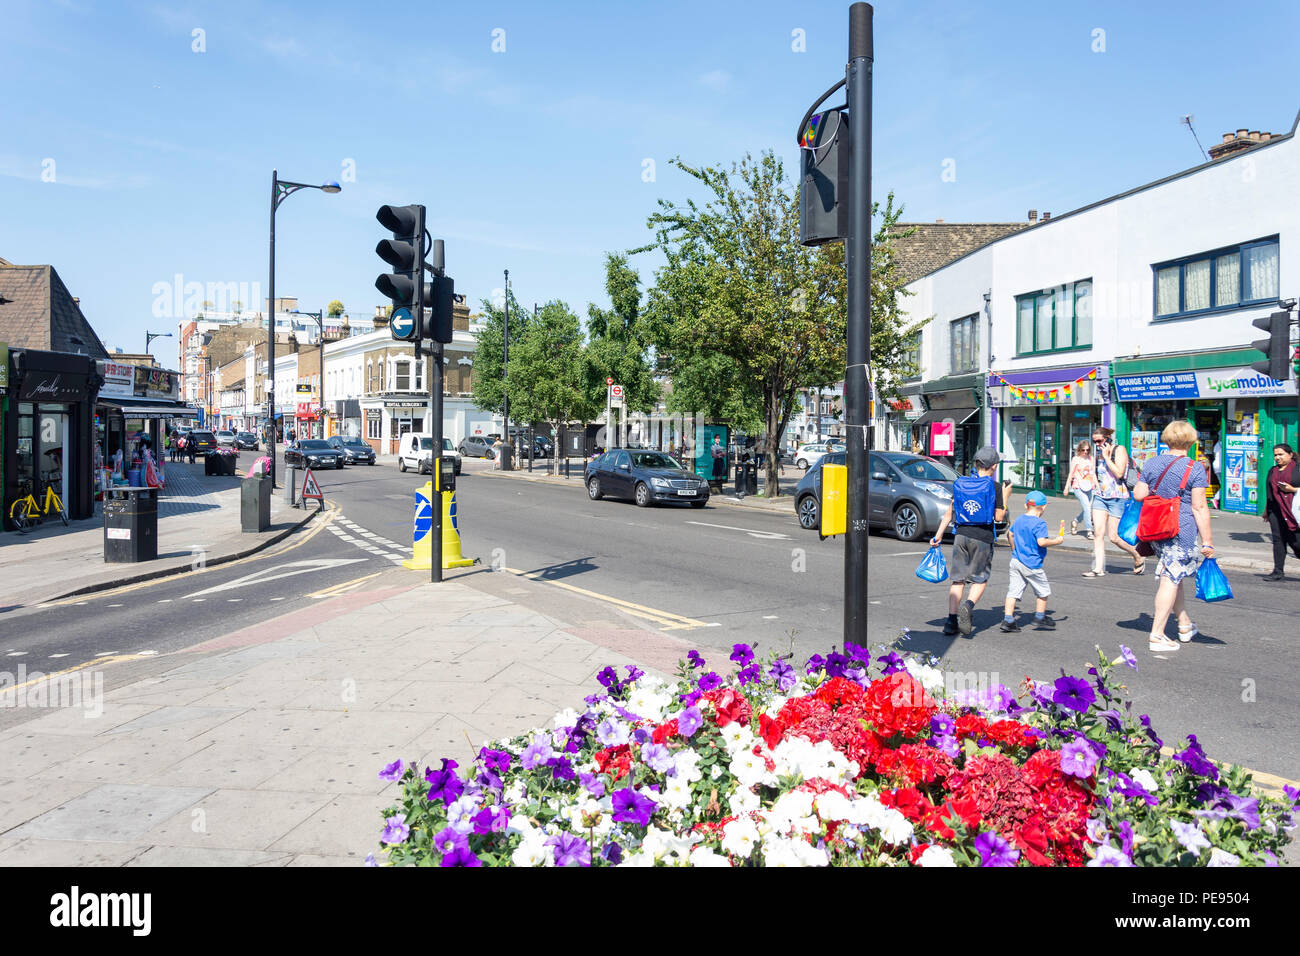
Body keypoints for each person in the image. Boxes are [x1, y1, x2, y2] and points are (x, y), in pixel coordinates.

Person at [1133, 420, 1214, 653]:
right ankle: (1157, 635)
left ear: (1167, 438)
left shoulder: (1152, 462)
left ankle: (1184, 624)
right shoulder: (1194, 467)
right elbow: (1199, 507)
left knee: (1173, 574)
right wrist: (1207, 541)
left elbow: (1139, 494)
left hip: (1157, 530)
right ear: (1191, 440)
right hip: (1181, 530)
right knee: (1170, 578)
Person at [929, 445, 1012, 636]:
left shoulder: (962, 483)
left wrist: (939, 535)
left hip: (960, 535)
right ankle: (968, 605)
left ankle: (950, 621)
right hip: (982, 536)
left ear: (976, 464)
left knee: (958, 579)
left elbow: (950, 512)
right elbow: (999, 517)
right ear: (994, 466)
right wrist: (1005, 498)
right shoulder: (995, 486)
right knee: (980, 578)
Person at [1083, 425, 1143, 577]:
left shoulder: (1119, 450)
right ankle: (1098, 568)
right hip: (1100, 496)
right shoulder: (1097, 454)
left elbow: (1118, 473)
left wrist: (1107, 457)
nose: (1097, 444)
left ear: (1107, 438)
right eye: (1094, 442)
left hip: (1117, 496)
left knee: (1114, 537)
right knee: (1098, 533)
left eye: (1099, 441)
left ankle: (1137, 555)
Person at [1001, 490, 1065, 632]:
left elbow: (1010, 534)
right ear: (1043, 507)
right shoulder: (1040, 523)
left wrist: (1014, 548)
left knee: (1013, 591)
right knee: (1043, 591)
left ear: (1026, 506)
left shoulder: (1019, 520)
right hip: (1032, 564)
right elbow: (1041, 542)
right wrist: (1057, 541)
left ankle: (1008, 620)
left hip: (1016, 561)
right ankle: (1039, 617)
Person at [1263, 443, 1299, 581]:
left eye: (1281, 454)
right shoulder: (1273, 471)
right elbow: (1269, 492)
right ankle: (1278, 571)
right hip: (1276, 511)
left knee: (1296, 542)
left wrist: (1293, 490)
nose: (1277, 458)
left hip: (1294, 512)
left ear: (1290, 455)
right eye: (1276, 455)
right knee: (1278, 540)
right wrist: (1267, 510)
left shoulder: (1297, 469)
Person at [1063, 440, 1096, 539]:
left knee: (1088, 509)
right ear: (1079, 450)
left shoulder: (1091, 459)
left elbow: (1093, 473)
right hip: (1078, 486)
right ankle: (1089, 531)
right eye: (1083, 450)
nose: (1085, 452)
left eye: (1087, 450)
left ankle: (1075, 521)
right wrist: (1066, 487)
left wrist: (1097, 486)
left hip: (1089, 486)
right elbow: (1071, 473)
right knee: (1087, 507)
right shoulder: (1076, 459)